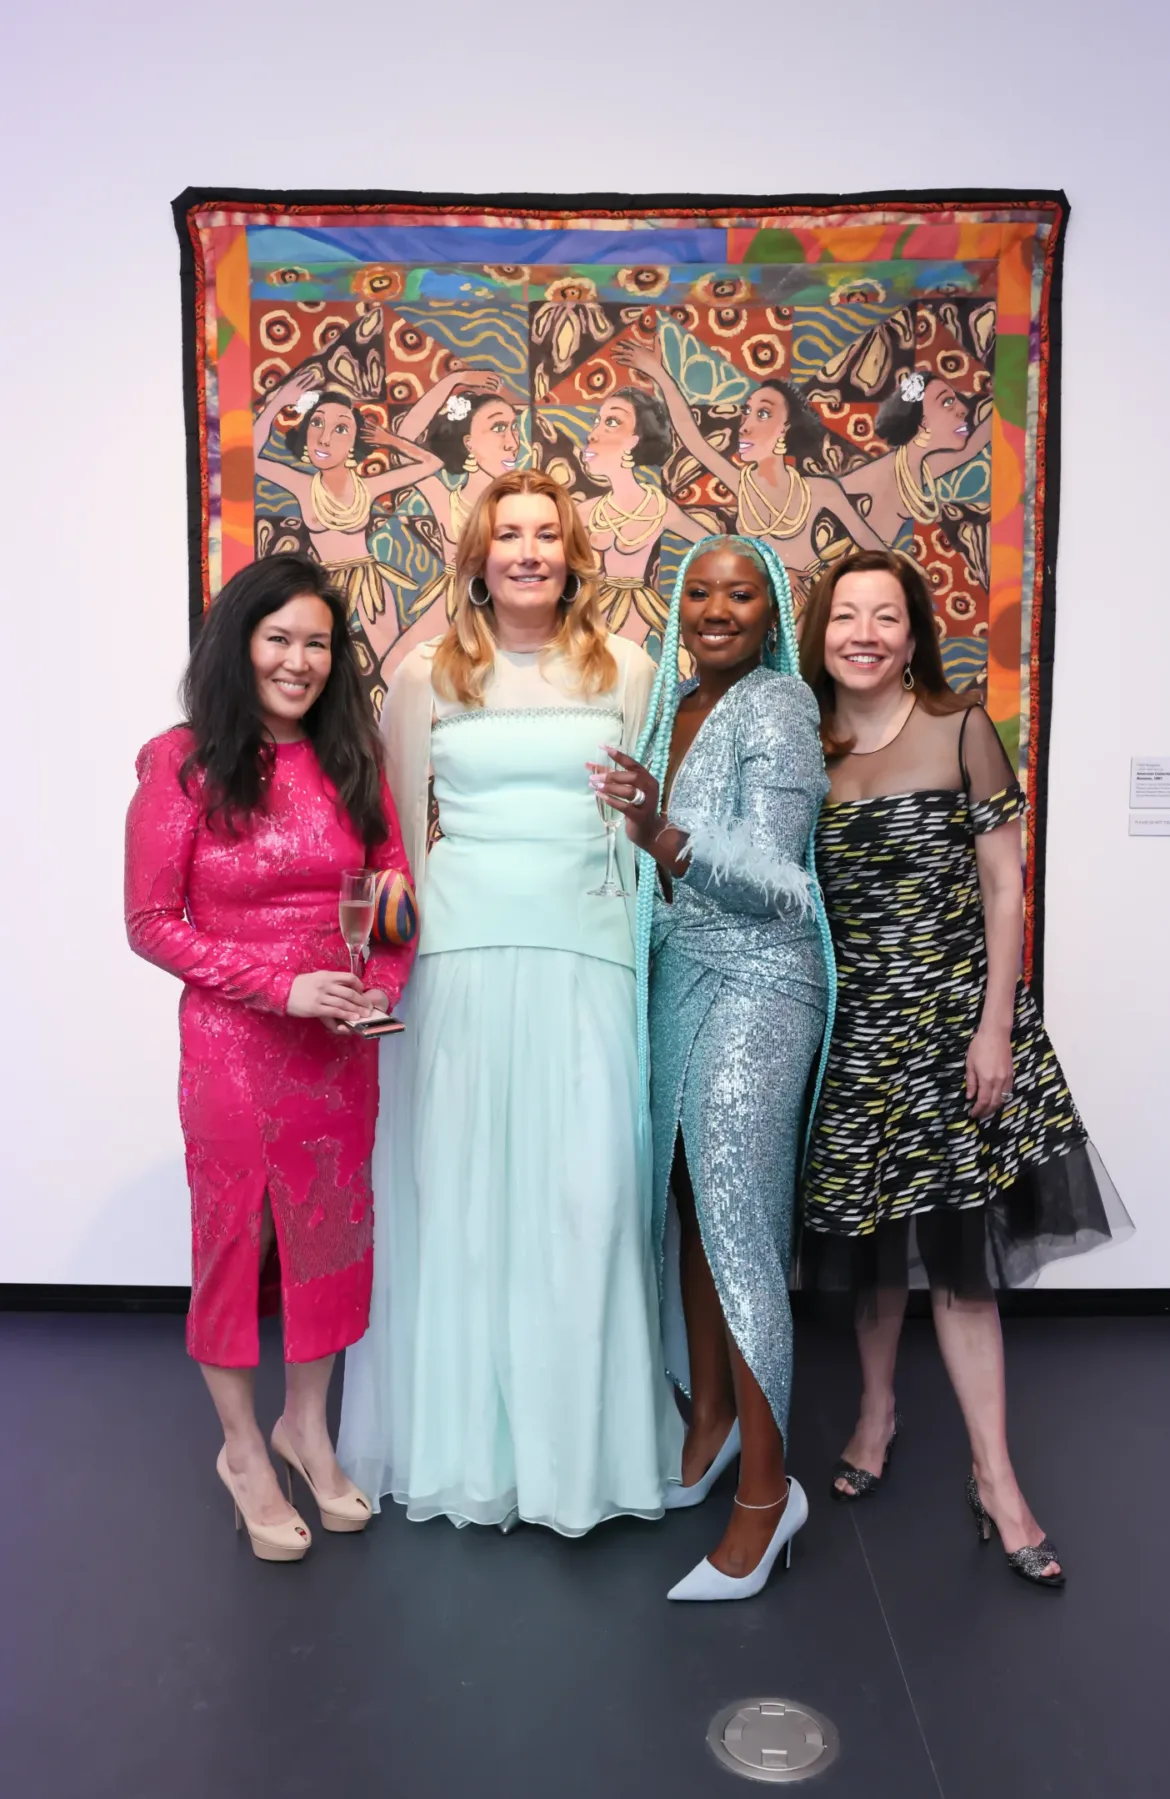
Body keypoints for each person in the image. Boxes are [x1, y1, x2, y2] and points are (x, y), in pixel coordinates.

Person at [338, 470, 683, 1535]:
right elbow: (397, 843)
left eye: (546, 534)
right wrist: (386, 975)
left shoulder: (627, 669)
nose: (528, 551)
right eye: (508, 535)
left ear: (575, 552)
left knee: (587, 1199)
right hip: (464, 956)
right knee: (467, 1200)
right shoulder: (426, 673)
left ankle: (585, 1453)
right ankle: (467, 1449)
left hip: (587, 949)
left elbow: (650, 828)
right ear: (479, 557)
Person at [797, 548, 1131, 1588]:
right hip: (852, 1035)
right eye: (845, 614)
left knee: (957, 1265)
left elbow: (1002, 887)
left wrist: (994, 1027)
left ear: (912, 632)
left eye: (884, 615)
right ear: (820, 632)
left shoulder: (960, 728)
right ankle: (875, 1412)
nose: (864, 632)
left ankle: (997, 1478)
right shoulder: (801, 744)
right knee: (870, 1251)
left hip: (951, 1028)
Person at [125, 556, 417, 1563]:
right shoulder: (182, 762)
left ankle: (307, 1426)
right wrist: (277, 984)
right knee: (238, 1239)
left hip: (337, 1048)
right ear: (239, 643)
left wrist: (380, 984)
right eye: (279, 637)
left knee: (332, 1233)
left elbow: (393, 889)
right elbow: (152, 922)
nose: (299, 660)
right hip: (235, 1045)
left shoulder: (352, 755)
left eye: (317, 643)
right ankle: (243, 1449)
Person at [593, 534, 836, 1602]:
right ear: (678, 605)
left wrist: (666, 837)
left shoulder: (778, 704)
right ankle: (711, 1420)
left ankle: (770, 1497)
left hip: (763, 980)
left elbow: (783, 881)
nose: (718, 608)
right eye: (701, 591)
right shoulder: (671, 706)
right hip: (679, 971)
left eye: (741, 592)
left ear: (771, 608)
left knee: (739, 1224)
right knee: (688, 1203)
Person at [614, 337, 886, 586]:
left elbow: (874, 548)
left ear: (786, 427)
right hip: (756, 605)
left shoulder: (821, 491)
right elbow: (692, 438)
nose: (745, 425)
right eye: (747, 412)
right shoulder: (741, 485)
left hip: (807, 605)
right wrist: (660, 374)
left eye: (764, 414)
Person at [253, 367, 439, 710]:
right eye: (317, 424)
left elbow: (431, 463)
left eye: (341, 429)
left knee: (394, 670)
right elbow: (250, 454)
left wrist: (390, 441)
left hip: (369, 586)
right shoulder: (302, 484)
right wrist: (281, 401)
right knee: (320, 674)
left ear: (354, 443)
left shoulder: (367, 487)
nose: (325, 438)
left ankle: (402, 742)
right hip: (323, 590)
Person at [364, 372, 523, 675]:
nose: (512, 443)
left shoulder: (522, 506)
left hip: (509, 617)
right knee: (396, 671)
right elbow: (407, 438)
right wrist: (453, 381)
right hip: (453, 606)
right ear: (468, 443)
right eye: (498, 428)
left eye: (514, 428)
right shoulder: (444, 498)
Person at [575, 385, 703, 644]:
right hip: (598, 605)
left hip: (639, 609)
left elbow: (716, 544)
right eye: (597, 421)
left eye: (611, 422)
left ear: (634, 441)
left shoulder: (659, 507)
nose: (593, 434)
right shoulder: (586, 511)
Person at [840, 368, 992, 544]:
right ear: (922, 421)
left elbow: (972, 448)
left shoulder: (924, 465)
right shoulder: (881, 473)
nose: (963, 409)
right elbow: (828, 493)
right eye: (947, 401)